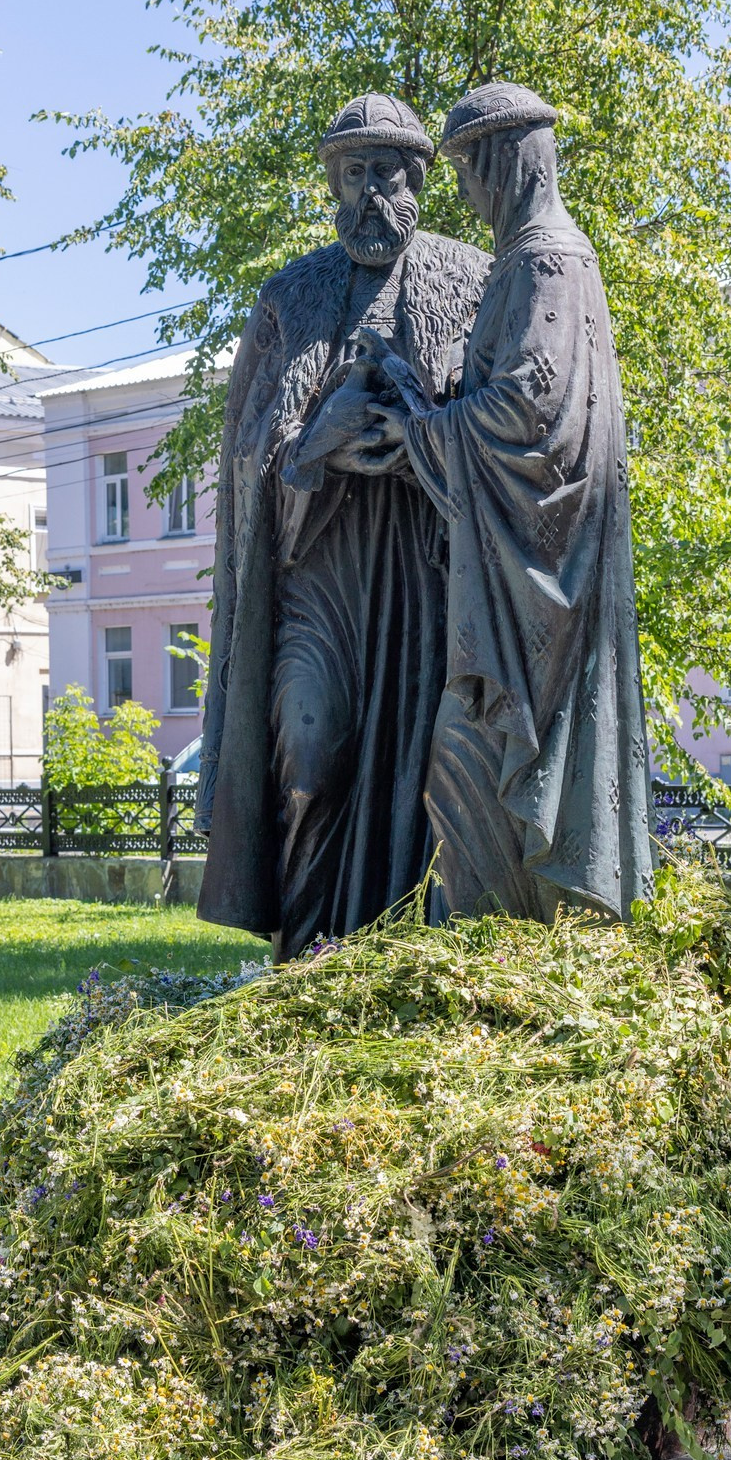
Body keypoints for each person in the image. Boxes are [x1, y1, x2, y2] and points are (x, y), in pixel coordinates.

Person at [196, 94, 492, 960]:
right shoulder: (291, 296)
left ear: (420, 183)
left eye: (388, 173)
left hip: (425, 575)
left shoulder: (473, 282)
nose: (372, 194)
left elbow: (504, 415)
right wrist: (311, 445)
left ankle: (405, 962)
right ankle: (305, 959)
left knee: (423, 775)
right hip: (317, 577)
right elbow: (247, 446)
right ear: (332, 184)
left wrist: (422, 439)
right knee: (312, 752)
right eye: (354, 174)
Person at [354, 82, 653, 923]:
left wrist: (420, 422)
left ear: (503, 161)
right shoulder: (544, 256)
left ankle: (506, 940)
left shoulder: (542, 259)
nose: (469, 194)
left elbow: (526, 408)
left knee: (461, 755)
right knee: (463, 755)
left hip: (536, 581)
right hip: (525, 566)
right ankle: (509, 936)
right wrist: (430, 395)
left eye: (470, 172)